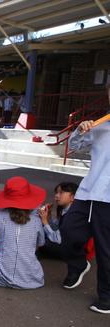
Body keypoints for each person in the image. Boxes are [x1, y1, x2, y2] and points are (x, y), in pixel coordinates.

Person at [60, 80, 110, 314]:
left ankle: (106, 298)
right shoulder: (101, 125)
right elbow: (76, 145)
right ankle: (78, 264)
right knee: (68, 229)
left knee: (105, 249)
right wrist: (80, 130)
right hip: (88, 192)